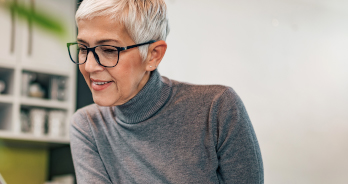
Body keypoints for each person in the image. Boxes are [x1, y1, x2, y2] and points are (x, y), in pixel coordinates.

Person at [67, 0, 264, 183]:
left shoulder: (217, 108)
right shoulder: (88, 125)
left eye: (109, 50)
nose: (90, 66)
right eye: (83, 48)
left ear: (154, 55)